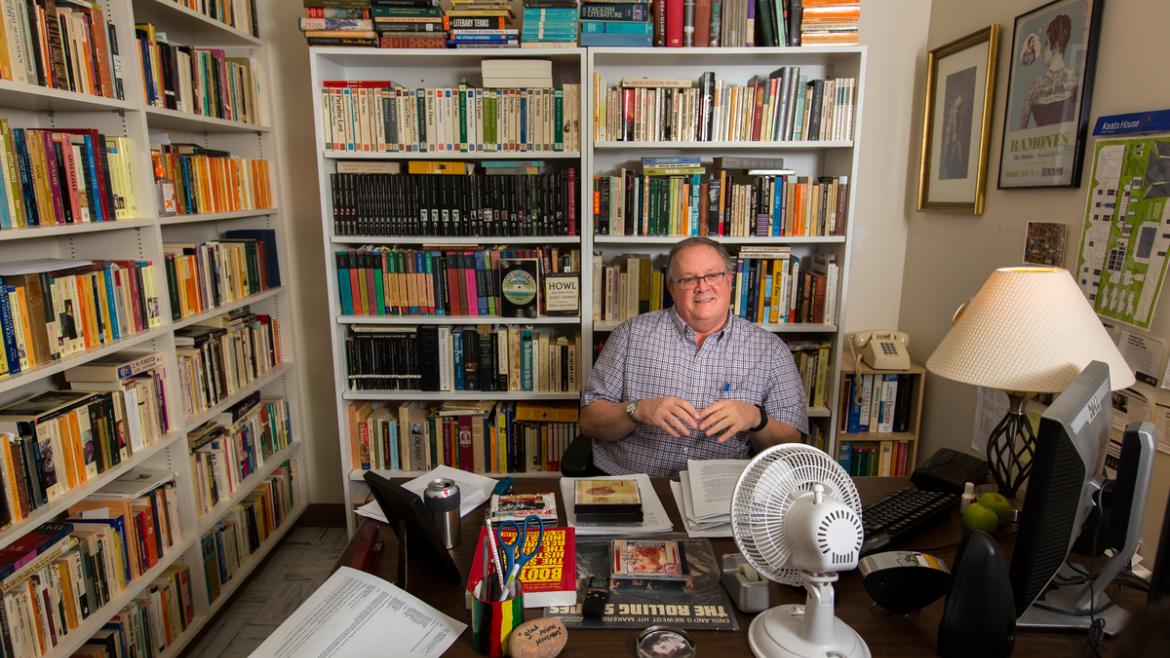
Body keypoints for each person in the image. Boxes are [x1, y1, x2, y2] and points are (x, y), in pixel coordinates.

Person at [580, 237, 807, 478]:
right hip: (635, 482)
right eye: (688, 279)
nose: (702, 287)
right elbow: (589, 422)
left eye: (713, 275)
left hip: (722, 491)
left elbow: (791, 447)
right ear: (672, 287)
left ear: (729, 280)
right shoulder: (630, 335)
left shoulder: (770, 350)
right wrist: (637, 410)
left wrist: (756, 418)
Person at [1019, 14, 1077, 129]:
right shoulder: (1074, 78)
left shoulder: (1037, 85)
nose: (1043, 50)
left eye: (1046, 44)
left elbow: (1021, 126)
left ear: (1054, 46)